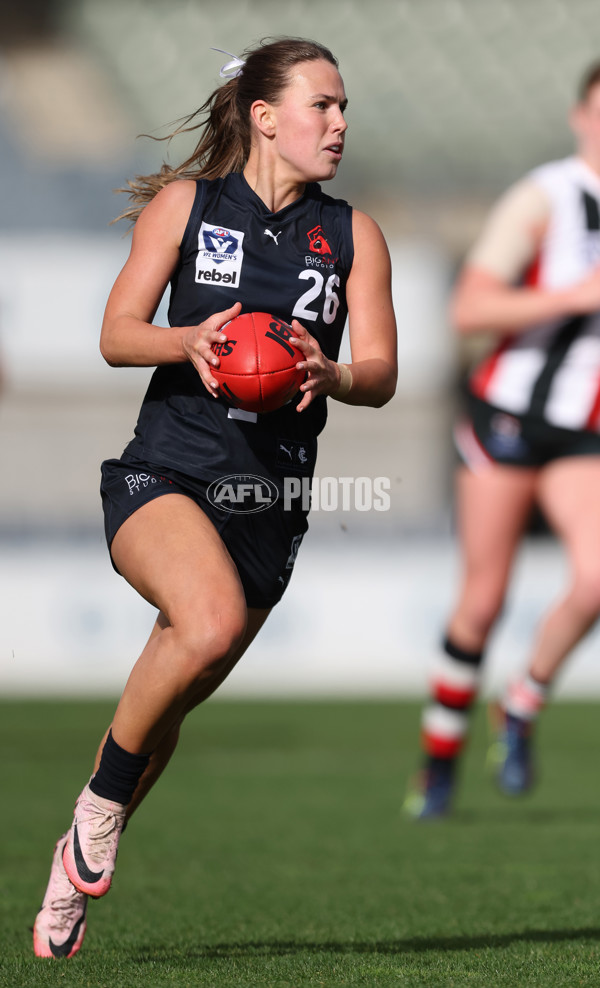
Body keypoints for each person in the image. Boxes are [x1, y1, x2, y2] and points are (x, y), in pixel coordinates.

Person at [32, 37, 397, 957]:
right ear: (267, 116)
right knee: (207, 623)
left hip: (270, 499)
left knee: (176, 693)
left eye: (344, 106)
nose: (341, 123)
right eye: (324, 105)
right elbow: (119, 333)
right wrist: (188, 340)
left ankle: (70, 863)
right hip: (167, 469)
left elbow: (384, 372)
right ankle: (97, 810)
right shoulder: (187, 208)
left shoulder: (354, 234)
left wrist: (334, 370)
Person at [405, 58, 600, 819]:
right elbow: (468, 309)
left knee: (597, 578)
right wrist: (576, 295)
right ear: (580, 117)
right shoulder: (545, 197)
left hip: (585, 431)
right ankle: (437, 765)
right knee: (481, 604)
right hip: (509, 420)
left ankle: (520, 704)